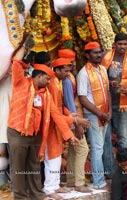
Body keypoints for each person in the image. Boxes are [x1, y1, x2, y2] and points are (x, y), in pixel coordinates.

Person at [7, 40, 80, 200]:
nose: (49, 83)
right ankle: (19, 197)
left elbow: (56, 115)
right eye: (47, 79)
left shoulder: (46, 94)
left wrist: (70, 135)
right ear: (38, 76)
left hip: (35, 134)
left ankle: (37, 195)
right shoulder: (21, 83)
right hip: (18, 132)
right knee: (19, 168)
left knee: (33, 166)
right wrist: (24, 45)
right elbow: (16, 63)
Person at [45, 58, 89, 199]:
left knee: (57, 156)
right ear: (56, 70)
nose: (68, 74)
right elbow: (52, 110)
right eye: (66, 71)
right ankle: (50, 188)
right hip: (52, 124)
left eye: (69, 71)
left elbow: (59, 106)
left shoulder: (59, 81)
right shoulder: (51, 83)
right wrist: (74, 120)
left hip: (60, 121)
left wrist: (69, 113)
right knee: (52, 157)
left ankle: (57, 185)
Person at [77, 42, 111, 190]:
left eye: (99, 52)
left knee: (102, 147)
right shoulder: (83, 73)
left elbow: (107, 92)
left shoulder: (103, 69)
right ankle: (98, 181)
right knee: (97, 148)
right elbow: (83, 98)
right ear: (87, 55)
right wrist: (100, 114)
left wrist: (108, 112)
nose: (99, 55)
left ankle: (101, 178)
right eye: (95, 53)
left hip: (104, 114)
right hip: (93, 115)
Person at [58, 49, 91, 192]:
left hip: (71, 117)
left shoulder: (69, 76)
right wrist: (76, 123)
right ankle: (79, 183)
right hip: (71, 118)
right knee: (83, 149)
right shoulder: (66, 80)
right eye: (71, 62)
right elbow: (69, 103)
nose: (73, 64)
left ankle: (71, 181)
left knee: (73, 149)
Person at [101, 33, 127, 150]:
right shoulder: (105, 56)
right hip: (105, 102)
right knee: (105, 137)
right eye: (120, 44)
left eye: (125, 44)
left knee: (123, 137)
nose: (122, 46)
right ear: (114, 45)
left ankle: (125, 165)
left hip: (122, 104)